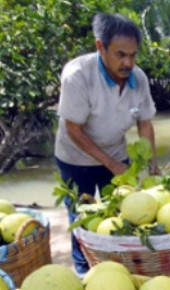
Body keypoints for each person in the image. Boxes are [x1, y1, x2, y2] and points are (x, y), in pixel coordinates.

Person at [55, 13, 160, 276]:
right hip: (75, 158)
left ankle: (119, 269)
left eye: (133, 55)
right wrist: (111, 164)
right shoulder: (78, 76)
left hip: (116, 152)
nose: (128, 62)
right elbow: (73, 129)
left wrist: (152, 164)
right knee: (82, 217)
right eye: (120, 54)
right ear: (100, 47)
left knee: (123, 214)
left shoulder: (139, 79)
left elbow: (145, 124)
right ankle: (83, 272)